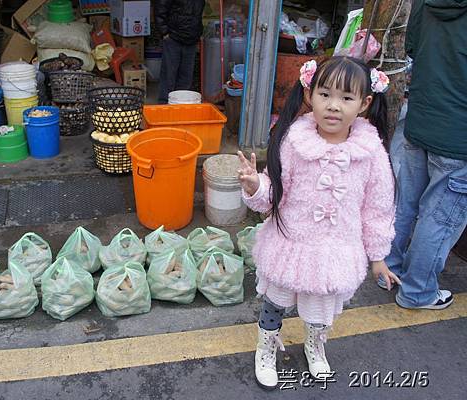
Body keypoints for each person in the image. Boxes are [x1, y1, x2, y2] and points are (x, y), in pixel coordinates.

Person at [238, 57, 400, 389]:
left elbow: (378, 209)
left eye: (346, 98)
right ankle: (266, 347)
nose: (334, 106)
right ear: (310, 95)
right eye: (325, 94)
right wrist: (255, 186)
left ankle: (315, 345)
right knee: (275, 304)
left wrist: (378, 257)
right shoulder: (294, 142)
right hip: (290, 244)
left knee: (319, 312)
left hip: (336, 252)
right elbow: (274, 193)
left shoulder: (372, 153)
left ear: (365, 103)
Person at [383, 0, 467, 310]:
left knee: (405, 203)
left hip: (420, 118)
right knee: (439, 218)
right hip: (459, 135)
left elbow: (413, 47)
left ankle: (387, 270)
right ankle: (417, 291)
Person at [154, 0, 205, 104]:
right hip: (173, 37)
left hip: (192, 39)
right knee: (169, 75)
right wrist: (164, 32)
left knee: (186, 77)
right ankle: (164, 106)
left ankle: (181, 105)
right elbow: (160, 9)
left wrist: (198, 33)